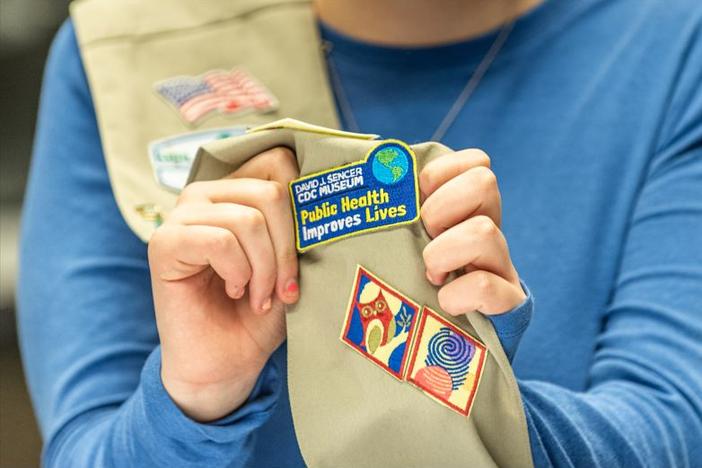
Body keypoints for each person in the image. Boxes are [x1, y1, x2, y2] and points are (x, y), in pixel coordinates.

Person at [18, 0, 702, 466]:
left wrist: (455, 384)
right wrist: (193, 399)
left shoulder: (672, 44)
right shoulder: (123, 53)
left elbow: (672, 430)